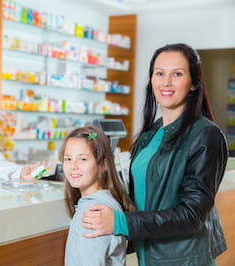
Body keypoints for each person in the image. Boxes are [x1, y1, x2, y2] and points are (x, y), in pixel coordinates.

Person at [81, 43, 228, 266]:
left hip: (185, 259)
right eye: (159, 73)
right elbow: (146, 193)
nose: (166, 82)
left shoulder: (205, 134)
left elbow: (192, 215)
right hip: (150, 255)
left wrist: (121, 222)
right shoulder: (151, 133)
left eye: (177, 74)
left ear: (193, 83)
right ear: (151, 80)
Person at [62, 125, 135, 266]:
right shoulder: (108, 201)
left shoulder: (91, 214)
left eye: (83, 159)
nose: (73, 166)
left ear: (103, 165)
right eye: (68, 159)